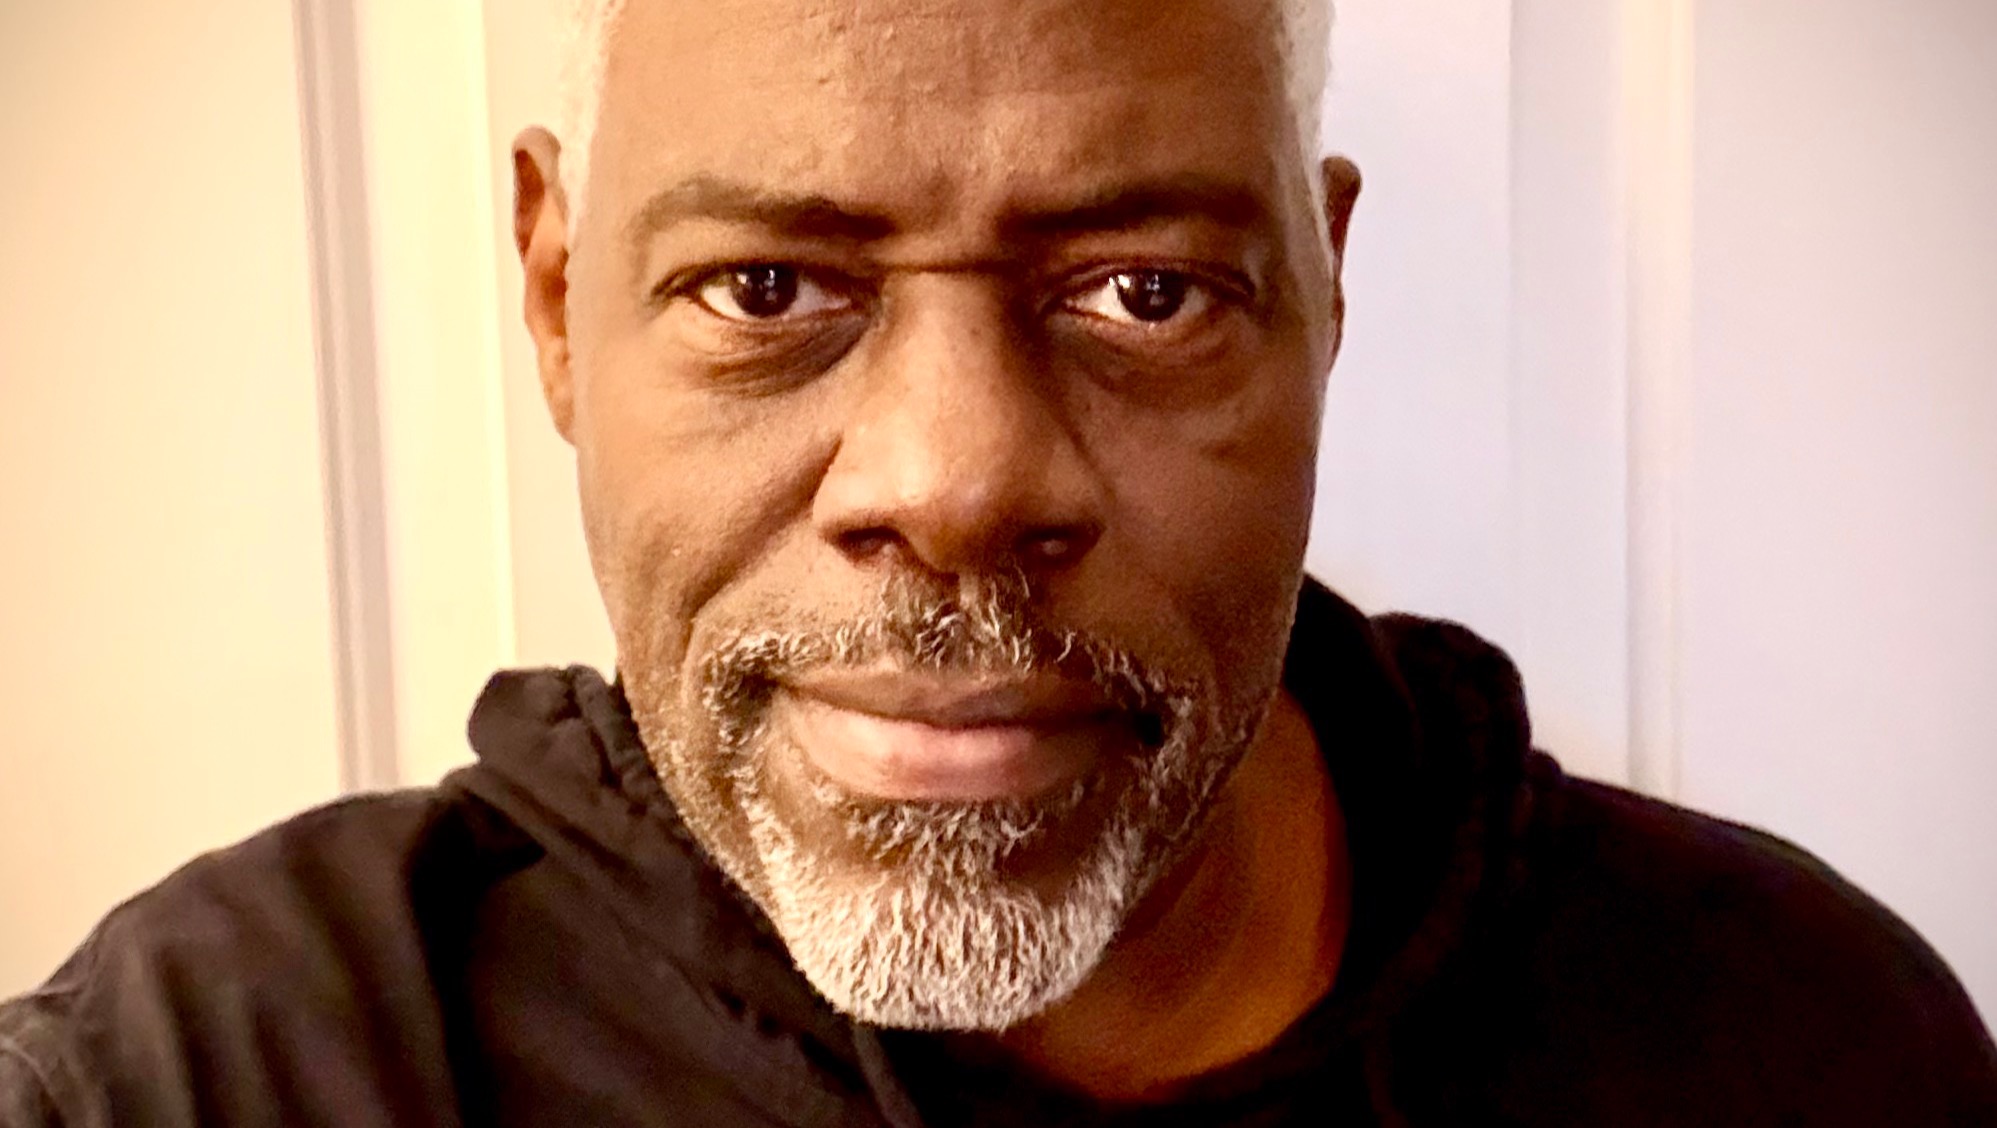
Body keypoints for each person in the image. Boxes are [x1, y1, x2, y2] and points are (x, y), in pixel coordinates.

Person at [4, 0, 1994, 1122]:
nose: (956, 485)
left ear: (1322, 292)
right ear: (554, 297)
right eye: (766, 287)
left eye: (1145, 290)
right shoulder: (220, 1074)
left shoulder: (1797, 1053)